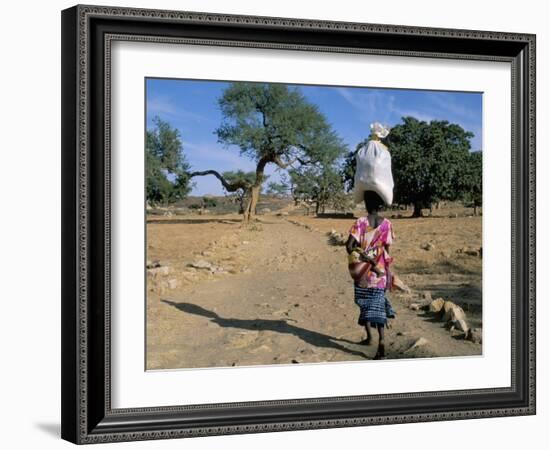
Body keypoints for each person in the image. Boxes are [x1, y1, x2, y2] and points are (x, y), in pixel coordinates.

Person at [346, 190, 395, 360]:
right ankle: (380, 341)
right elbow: (387, 250)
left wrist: (363, 255)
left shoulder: (360, 222)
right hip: (380, 271)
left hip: (364, 272)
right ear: (380, 204)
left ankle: (370, 338)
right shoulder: (387, 224)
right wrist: (387, 270)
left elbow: (349, 246)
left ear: (366, 204)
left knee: (364, 303)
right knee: (378, 307)